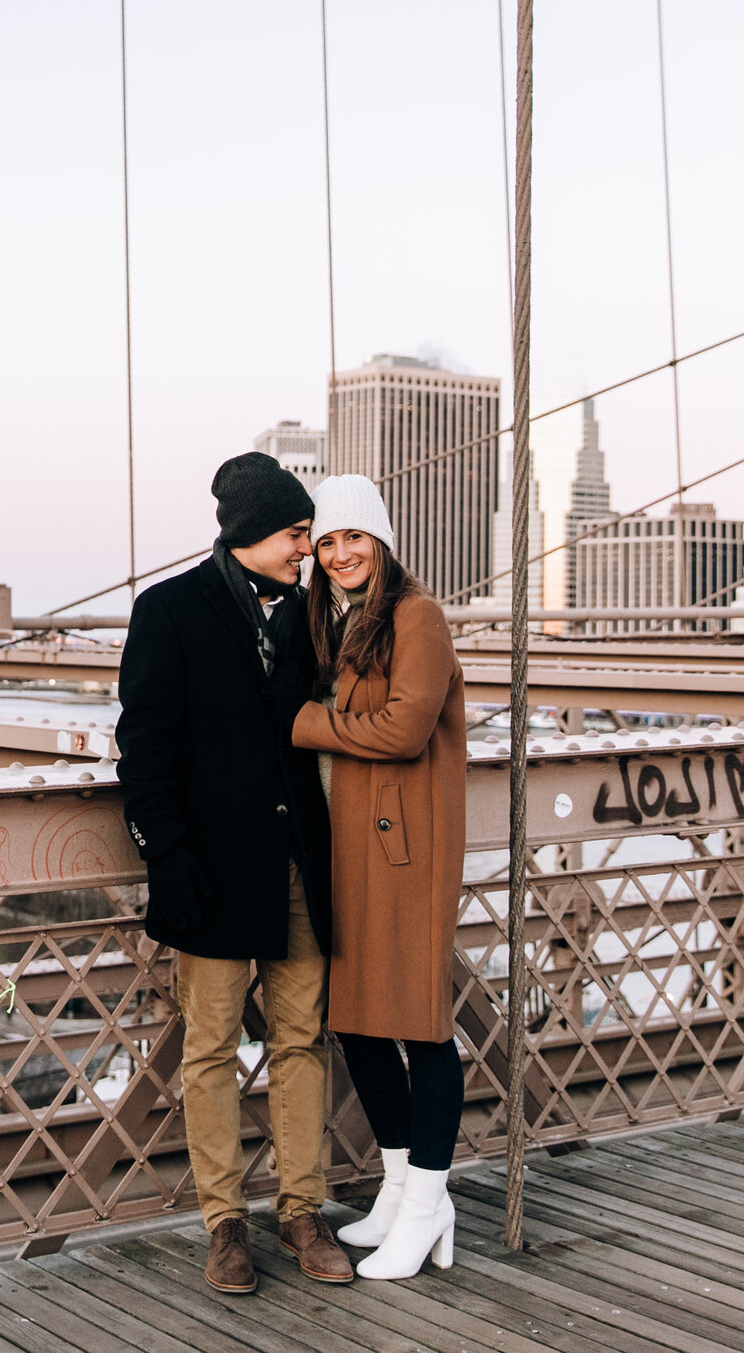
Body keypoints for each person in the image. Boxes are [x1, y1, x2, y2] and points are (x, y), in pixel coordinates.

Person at [118, 452, 354, 1295]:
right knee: (210, 1048)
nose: (308, 549)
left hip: (298, 869)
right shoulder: (169, 610)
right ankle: (225, 1225)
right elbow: (143, 744)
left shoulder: (314, 616)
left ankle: (302, 1209)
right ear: (256, 531)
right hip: (211, 873)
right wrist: (165, 855)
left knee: (300, 1040)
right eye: (298, 534)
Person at [290, 473, 468, 1280]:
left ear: (383, 540)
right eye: (326, 542)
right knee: (358, 1020)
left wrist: (305, 722)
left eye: (353, 537)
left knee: (420, 1023)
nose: (339, 553)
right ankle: (399, 1186)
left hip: (405, 850)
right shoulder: (336, 620)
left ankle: (431, 1198)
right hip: (348, 846)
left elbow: (404, 728)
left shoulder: (415, 615)